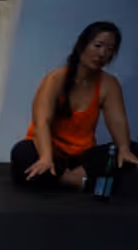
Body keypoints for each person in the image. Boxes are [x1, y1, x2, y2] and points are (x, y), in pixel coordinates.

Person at [11, 23, 135, 195]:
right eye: (97, 46)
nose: (102, 54)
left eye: (109, 49)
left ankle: (65, 180)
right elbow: (41, 123)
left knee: (132, 151)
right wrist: (46, 158)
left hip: (82, 160)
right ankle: (82, 183)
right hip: (49, 151)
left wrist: (124, 149)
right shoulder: (56, 78)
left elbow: (118, 121)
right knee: (22, 153)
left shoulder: (109, 84)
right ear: (82, 45)